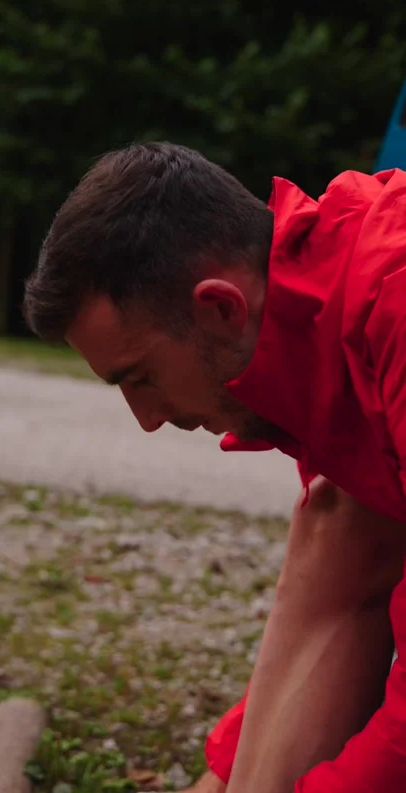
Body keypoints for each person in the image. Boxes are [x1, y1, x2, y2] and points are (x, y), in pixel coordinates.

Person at [23, 142, 406, 792]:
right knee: (339, 515)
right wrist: (227, 773)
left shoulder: (393, 299)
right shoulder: (320, 309)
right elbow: (348, 569)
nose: (144, 419)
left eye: (139, 377)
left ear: (220, 306)